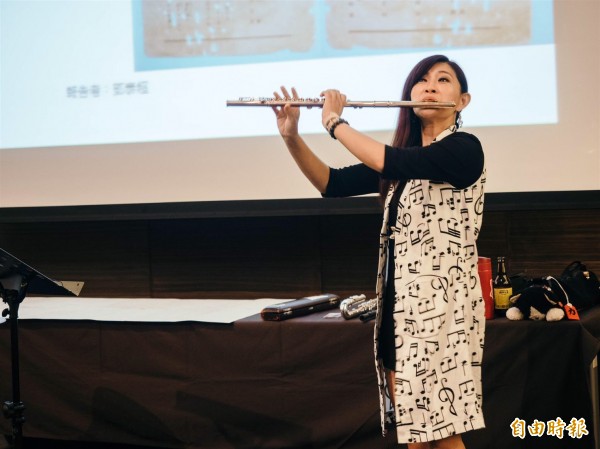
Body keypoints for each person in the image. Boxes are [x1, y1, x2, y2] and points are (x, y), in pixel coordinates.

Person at [272, 54, 486, 449]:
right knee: (418, 431)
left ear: (462, 101)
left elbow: (388, 159)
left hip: (442, 312)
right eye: (421, 80)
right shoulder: (404, 159)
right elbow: (330, 183)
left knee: (440, 430)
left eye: (443, 80)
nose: (430, 86)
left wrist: (336, 123)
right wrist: (291, 136)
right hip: (400, 307)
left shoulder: (464, 149)